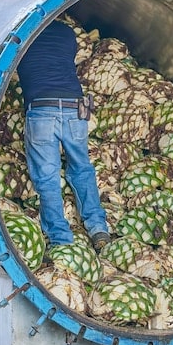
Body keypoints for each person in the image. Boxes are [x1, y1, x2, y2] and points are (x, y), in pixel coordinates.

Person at [17, 19, 110, 252]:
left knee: (47, 178)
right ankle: (98, 228)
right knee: (82, 167)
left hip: (42, 109)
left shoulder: (22, 34)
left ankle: (61, 239)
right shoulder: (66, 33)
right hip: (75, 108)